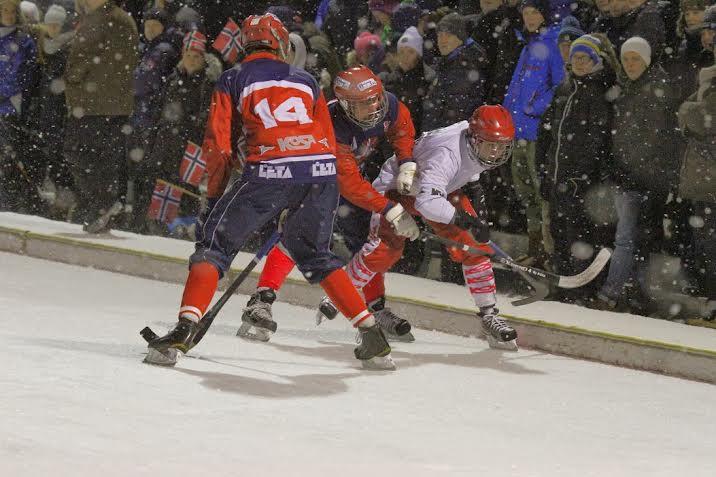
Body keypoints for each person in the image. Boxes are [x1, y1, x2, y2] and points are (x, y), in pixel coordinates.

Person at [147, 14, 397, 370]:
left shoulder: (232, 79)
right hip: (320, 174)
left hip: (269, 169)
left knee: (214, 249)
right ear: (282, 44)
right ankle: (372, 334)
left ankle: (185, 327)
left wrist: (216, 195)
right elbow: (327, 141)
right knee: (318, 257)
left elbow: (217, 146)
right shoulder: (307, 80)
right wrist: (310, 188)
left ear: (245, 45)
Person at [240, 66, 419, 342]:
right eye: (364, 104)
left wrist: (406, 159)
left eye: (377, 99)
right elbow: (347, 183)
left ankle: (377, 308)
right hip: (314, 176)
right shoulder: (330, 125)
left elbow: (402, 124)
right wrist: (389, 208)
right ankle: (261, 300)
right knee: (297, 239)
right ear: (346, 106)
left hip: (351, 180)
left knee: (363, 244)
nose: (375, 108)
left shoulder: (386, 104)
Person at [349, 104, 520, 351]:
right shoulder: (446, 153)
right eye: (491, 144)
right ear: (474, 139)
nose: (496, 151)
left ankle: (489, 314)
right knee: (385, 251)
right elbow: (427, 203)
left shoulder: (478, 142)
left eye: (502, 145)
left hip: (436, 189)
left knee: (475, 247)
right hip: (397, 188)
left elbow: (471, 176)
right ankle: (348, 295)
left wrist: (479, 217)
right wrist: (463, 219)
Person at [593, 36, 680, 312]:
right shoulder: (630, 88)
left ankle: (612, 292)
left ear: (647, 61)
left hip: (642, 179)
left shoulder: (655, 90)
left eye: (636, 59)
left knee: (628, 239)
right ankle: (634, 292)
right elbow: (620, 136)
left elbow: (654, 140)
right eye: (627, 59)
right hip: (628, 176)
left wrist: (638, 174)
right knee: (634, 239)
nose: (631, 64)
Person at [536, 33, 618, 301]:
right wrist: (545, 169)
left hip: (579, 181)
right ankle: (561, 283)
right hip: (558, 175)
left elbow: (595, 143)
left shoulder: (598, 93)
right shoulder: (565, 89)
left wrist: (580, 177)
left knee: (578, 236)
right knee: (558, 232)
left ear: (595, 60)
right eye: (575, 57)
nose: (579, 63)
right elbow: (549, 134)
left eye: (585, 58)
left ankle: (579, 289)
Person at [63, 0, 138, 233]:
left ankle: (102, 206)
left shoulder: (97, 19)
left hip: (91, 103)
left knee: (79, 152)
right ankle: (105, 207)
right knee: (105, 158)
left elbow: (78, 62)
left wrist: (70, 79)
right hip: (117, 105)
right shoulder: (126, 20)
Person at [503, 0, 564, 266]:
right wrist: (507, 115)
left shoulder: (552, 44)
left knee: (540, 193)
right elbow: (515, 84)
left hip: (537, 132)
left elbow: (560, 84)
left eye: (534, 13)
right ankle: (534, 248)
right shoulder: (528, 45)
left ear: (544, 16)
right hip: (518, 130)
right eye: (526, 13)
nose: (529, 17)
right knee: (525, 190)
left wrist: (534, 107)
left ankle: (547, 253)